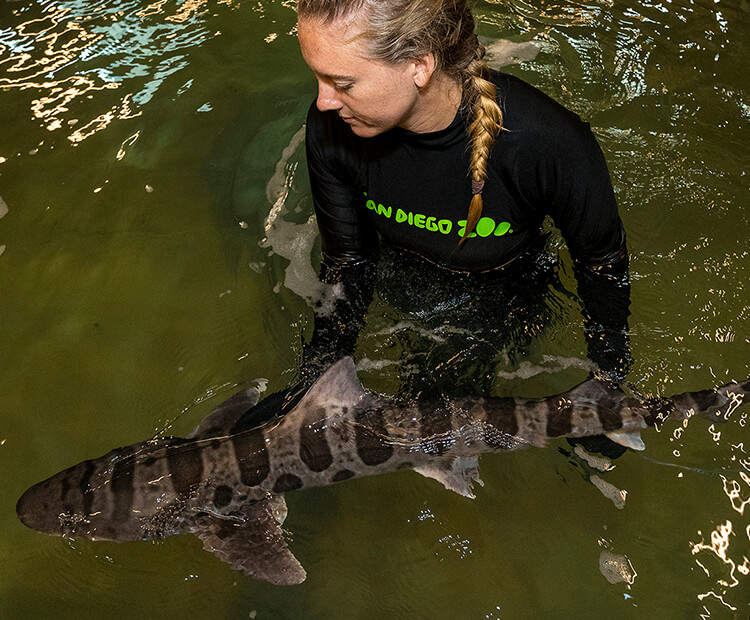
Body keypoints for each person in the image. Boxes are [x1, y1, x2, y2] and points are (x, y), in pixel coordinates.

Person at [252, 0, 631, 456]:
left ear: (419, 66)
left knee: (423, 436)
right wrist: (316, 385)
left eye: (342, 82)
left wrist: (607, 388)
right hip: (400, 276)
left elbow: (602, 265)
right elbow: (349, 260)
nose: (323, 101)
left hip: (502, 294)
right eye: (318, 76)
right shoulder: (330, 128)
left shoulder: (545, 142)